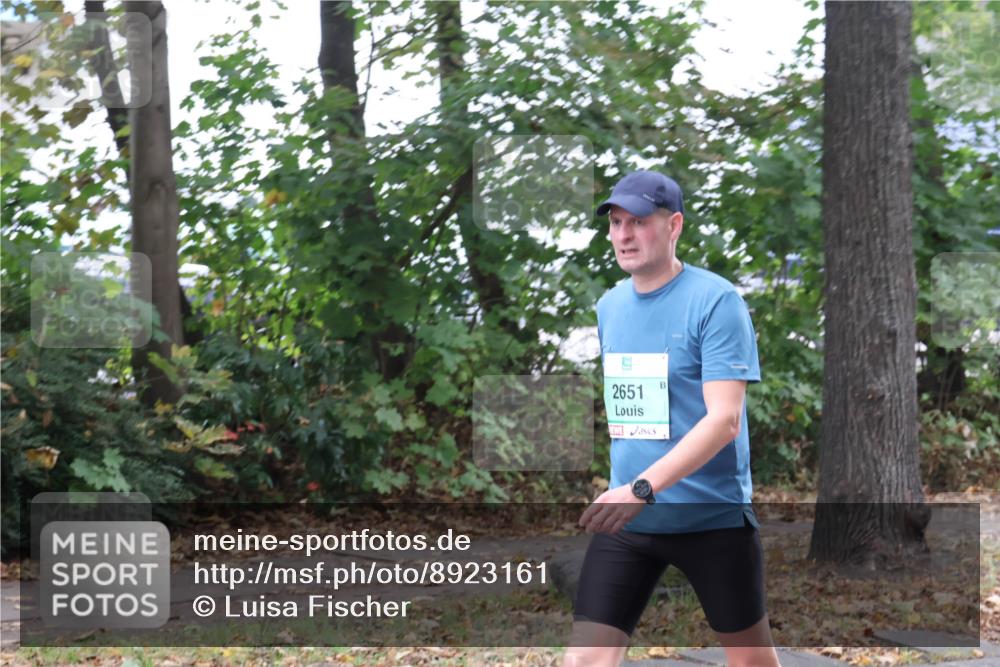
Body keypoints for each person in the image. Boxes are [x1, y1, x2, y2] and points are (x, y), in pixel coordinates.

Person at [563, 171, 781, 667]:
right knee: (583, 660)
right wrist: (632, 493)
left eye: (638, 221)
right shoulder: (610, 306)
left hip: (709, 518)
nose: (623, 235)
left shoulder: (716, 302)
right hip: (629, 522)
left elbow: (723, 420)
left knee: (750, 661)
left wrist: (642, 487)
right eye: (616, 223)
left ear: (674, 225)